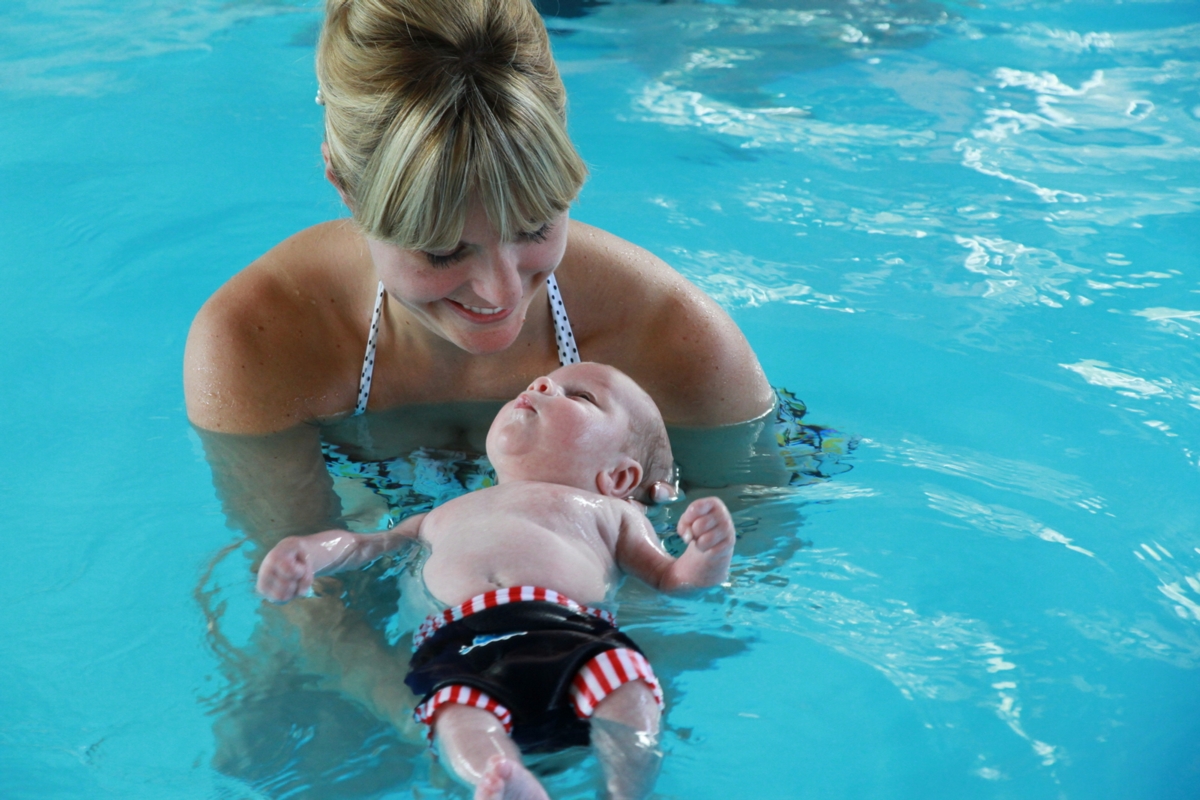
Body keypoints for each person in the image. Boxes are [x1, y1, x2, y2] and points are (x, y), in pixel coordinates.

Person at [185, 0, 773, 756]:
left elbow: (751, 557)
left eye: (535, 228)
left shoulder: (668, 335)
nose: (497, 296)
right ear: (343, 183)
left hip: (590, 621)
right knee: (276, 749)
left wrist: (582, 697)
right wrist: (441, 730)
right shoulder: (259, 343)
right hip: (423, 618)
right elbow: (313, 596)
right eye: (439, 252)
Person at [256, 363, 735, 799]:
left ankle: (623, 789)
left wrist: (709, 553)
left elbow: (674, 580)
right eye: (536, 383)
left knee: (628, 687)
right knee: (454, 718)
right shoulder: (439, 515)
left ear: (618, 475)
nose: (541, 383)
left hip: (571, 634)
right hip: (461, 646)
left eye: (581, 397)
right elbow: (361, 546)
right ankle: (505, 779)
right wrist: (307, 553)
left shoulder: (611, 513)